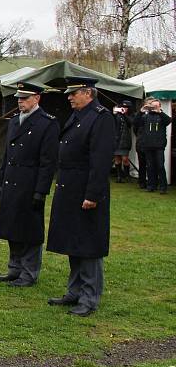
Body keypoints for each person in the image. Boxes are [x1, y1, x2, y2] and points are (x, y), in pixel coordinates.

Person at [47, 76, 115, 317]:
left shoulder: (101, 118)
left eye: (73, 93)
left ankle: (89, 297)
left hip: (86, 191)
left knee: (89, 245)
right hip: (70, 189)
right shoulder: (78, 116)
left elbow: (101, 160)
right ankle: (74, 291)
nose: (69, 97)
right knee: (73, 243)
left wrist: (93, 194)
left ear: (88, 93)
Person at [0, 82, 59, 287]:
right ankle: (15, 268)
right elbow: (7, 155)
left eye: (25, 98)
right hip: (12, 182)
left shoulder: (47, 123)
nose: (20, 102)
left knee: (30, 230)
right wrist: (0, 182)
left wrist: (41, 191)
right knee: (12, 227)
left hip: (30, 185)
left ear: (37, 98)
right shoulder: (14, 122)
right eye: (19, 99)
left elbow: (48, 162)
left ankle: (29, 272)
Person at [133, 97, 170, 194]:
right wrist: (141, 111)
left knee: (160, 166)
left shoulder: (162, 116)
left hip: (159, 146)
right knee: (150, 166)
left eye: (156, 105)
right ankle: (151, 186)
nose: (153, 107)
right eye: (152, 106)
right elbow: (135, 123)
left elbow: (168, 121)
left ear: (160, 106)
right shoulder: (145, 116)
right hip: (148, 146)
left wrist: (159, 111)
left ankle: (163, 187)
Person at [112, 100, 133, 183]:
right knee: (117, 158)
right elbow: (112, 123)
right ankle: (119, 176)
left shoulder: (131, 115)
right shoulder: (117, 115)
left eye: (127, 107)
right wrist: (114, 113)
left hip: (125, 140)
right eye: (123, 107)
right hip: (116, 139)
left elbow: (130, 123)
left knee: (125, 159)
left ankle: (127, 175)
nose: (125, 108)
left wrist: (124, 114)